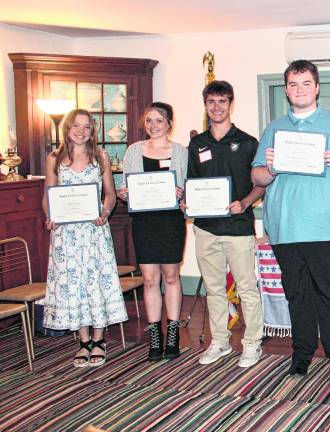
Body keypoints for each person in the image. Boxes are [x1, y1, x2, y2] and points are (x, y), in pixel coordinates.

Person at [251, 60, 330, 382]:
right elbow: (257, 175)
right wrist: (272, 168)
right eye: (293, 84)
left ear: (316, 87)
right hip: (286, 227)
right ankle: (301, 355)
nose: (299, 89)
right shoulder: (275, 128)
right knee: (297, 295)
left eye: (306, 83)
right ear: (287, 90)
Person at [186, 80, 265, 368]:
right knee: (214, 289)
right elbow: (192, 184)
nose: (216, 107)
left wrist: (244, 203)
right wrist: (187, 203)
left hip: (238, 228)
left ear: (231, 104)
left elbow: (261, 185)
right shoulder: (197, 144)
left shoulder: (247, 142)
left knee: (246, 288)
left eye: (222, 101)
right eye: (211, 102)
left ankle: (252, 343)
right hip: (206, 228)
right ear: (205, 105)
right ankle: (219, 341)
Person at [42, 108, 128, 368]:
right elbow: (48, 194)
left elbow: (110, 194)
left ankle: (99, 339)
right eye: (76, 126)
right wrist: (50, 216)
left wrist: (104, 212)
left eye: (87, 127)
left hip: (94, 231)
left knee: (95, 282)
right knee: (74, 284)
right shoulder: (54, 158)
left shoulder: (99, 156)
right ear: (66, 128)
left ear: (93, 131)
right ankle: (82, 341)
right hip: (66, 234)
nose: (81, 131)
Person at [118, 102, 188, 362]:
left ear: (170, 123)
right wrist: (124, 194)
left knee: (170, 277)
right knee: (149, 279)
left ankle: (172, 334)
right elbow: (126, 188)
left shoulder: (181, 151)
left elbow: (189, 185)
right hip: (145, 223)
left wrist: (184, 195)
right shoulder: (133, 151)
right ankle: (155, 336)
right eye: (149, 120)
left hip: (170, 222)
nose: (154, 125)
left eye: (159, 120)